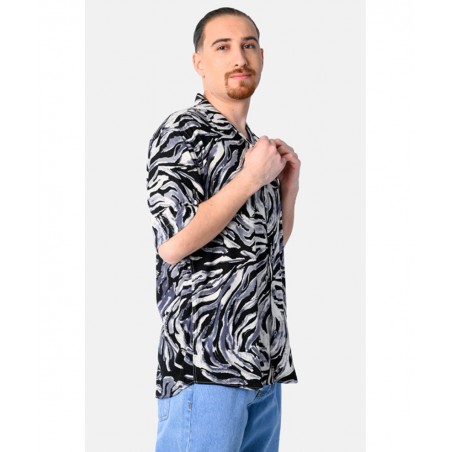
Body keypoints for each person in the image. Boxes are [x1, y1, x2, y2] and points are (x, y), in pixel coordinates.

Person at [146, 7, 301, 452]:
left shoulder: (255, 148)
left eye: (249, 45)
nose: (239, 57)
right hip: (206, 366)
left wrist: (287, 191)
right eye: (223, 47)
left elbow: (262, 246)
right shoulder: (182, 132)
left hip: (264, 367)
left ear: (262, 57)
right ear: (199, 62)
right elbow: (173, 244)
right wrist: (250, 179)